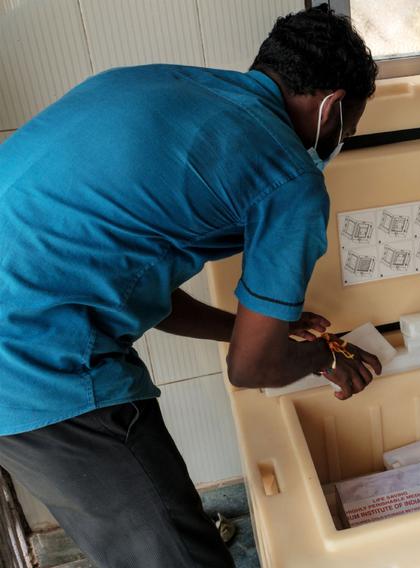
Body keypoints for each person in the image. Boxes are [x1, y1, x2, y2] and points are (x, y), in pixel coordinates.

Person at [0, 6, 379, 567]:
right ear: (332, 107)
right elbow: (249, 370)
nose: (338, 140)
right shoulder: (290, 179)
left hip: (23, 323)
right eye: (348, 128)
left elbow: (131, 282)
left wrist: (254, 328)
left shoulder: (146, 80)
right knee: (175, 556)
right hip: (35, 360)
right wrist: (319, 358)